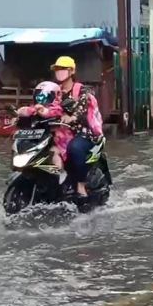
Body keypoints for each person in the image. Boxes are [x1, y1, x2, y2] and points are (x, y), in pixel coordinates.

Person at [50, 56, 104, 206]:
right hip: (59, 134)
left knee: (74, 148)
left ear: (71, 71)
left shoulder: (82, 91)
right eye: (57, 69)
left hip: (82, 133)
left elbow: (82, 107)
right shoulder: (54, 91)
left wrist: (72, 117)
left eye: (62, 69)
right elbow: (44, 105)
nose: (59, 72)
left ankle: (80, 185)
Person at [17, 81, 71, 184]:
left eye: (46, 96)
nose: (41, 99)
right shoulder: (35, 108)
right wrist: (18, 113)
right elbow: (26, 111)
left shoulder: (57, 108)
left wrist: (45, 112)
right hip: (40, 140)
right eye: (39, 95)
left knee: (54, 154)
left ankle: (60, 177)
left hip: (58, 141)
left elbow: (53, 112)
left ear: (55, 96)